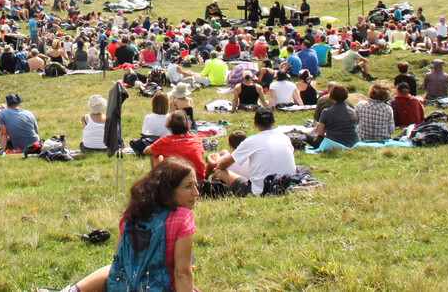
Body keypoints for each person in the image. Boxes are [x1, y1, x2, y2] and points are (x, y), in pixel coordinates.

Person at [61, 157, 198, 292]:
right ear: (169, 190)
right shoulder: (182, 217)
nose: (196, 193)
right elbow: (182, 273)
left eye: (195, 185)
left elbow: (118, 260)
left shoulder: (135, 212)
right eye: (188, 186)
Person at [212, 108, 296, 197]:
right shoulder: (285, 138)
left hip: (260, 191)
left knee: (219, 171)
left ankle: (211, 187)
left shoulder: (251, 141)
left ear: (255, 124)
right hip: (287, 185)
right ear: (274, 122)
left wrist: (216, 168)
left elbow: (224, 164)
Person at [148, 111, 206, 181]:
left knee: (154, 153)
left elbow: (146, 151)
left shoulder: (165, 141)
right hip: (198, 179)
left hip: (174, 180)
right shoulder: (196, 138)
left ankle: (156, 180)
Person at [314, 83, 361, 148]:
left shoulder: (326, 112)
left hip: (334, 142)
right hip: (352, 142)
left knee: (310, 137)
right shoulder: (352, 111)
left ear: (331, 95)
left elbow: (320, 133)